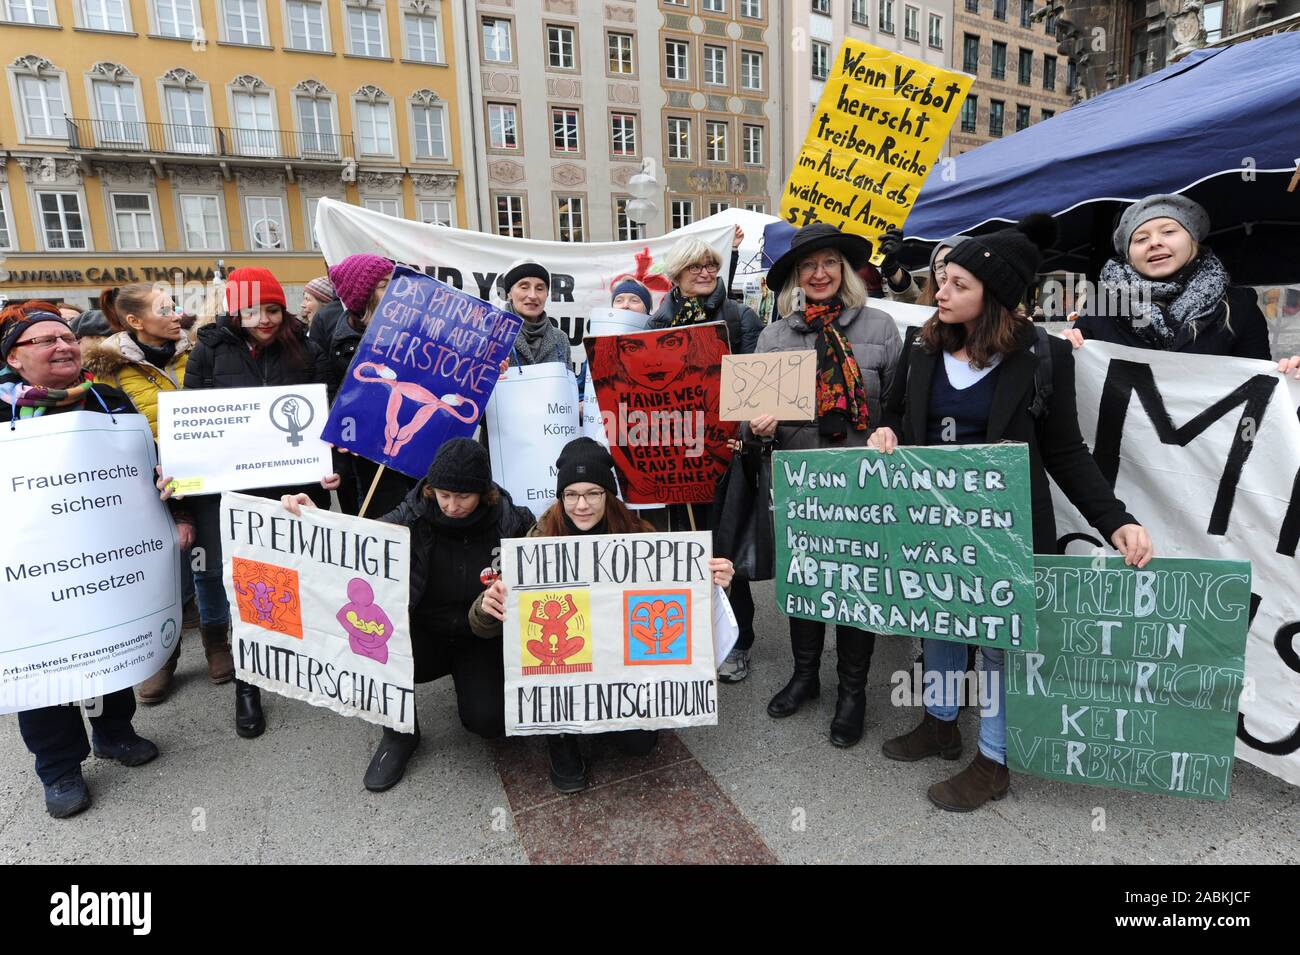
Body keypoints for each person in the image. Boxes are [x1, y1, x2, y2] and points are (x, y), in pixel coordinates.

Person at [869, 214, 1155, 811]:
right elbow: (892, 415)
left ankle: (994, 760)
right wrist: (884, 435)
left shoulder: (1045, 356)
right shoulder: (924, 347)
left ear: (994, 296)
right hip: (933, 523)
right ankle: (941, 722)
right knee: (941, 621)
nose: (939, 292)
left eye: (956, 284)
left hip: (1009, 528)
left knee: (999, 640)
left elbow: (1066, 451)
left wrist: (1116, 519)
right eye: (940, 280)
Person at [472, 437, 735, 793]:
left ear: (608, 495)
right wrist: (487, 607)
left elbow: (685, 606)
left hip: (618, 662)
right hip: (564, 664)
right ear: (560, 497)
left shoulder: (640, 536)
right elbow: (484, 623)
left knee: (639, 746)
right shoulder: (537, 541)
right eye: (571, 495)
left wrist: (714, 583)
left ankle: (609, 716)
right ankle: (560, 737)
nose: (581, 505)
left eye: (593, 493)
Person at [2, 310, 179, 818]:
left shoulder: (107, 398)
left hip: (101, 553)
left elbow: (145, 464)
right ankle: (58, 768)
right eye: (44, 340)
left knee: (107, 643)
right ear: (14, 357)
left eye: (66, 337)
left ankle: (113, 732)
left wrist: (172, 498)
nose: (62, 346)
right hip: (28, 567)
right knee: (43, 664)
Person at [281, 438, 535, 791]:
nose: (452, 505)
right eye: (444, 495)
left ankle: (472, 683)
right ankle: (400, 734)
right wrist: (314, 515)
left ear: (483, 492)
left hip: (478, 634)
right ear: (431, 488)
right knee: (370, 644)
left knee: (489, 720)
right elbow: (356, 541)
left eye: (462, 497)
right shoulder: (412, 514)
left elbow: (542, 556)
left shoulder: (510, 520)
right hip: (422, 629)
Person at [748, 223, 903, 747]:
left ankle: (853, 690)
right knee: (806, 581)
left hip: (863, 484)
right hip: (800, 483)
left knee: (856, 587)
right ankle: (805, 676)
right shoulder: (774, 337)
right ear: (795, 276)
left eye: (829, 263)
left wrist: (892, 429)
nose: (819, 273)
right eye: (808, 266)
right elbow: (749, 422)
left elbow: (901, 404)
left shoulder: (880, 326)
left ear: (846, 271)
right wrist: (758, 424)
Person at [169, 267, 339, 740]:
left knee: (301, 574)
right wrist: (187, 476)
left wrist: (330, 458)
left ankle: (307, 667)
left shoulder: (304, 344)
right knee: (246, 588)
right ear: (234, 309)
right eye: (252, 309)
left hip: (299, 485)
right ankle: (249, 687)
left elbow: (329, 407)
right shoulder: (209, 348)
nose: (263, 318)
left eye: (271, 308)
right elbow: (193, 418)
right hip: (235, 491)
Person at [85, 283, 214, 703]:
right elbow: (107, 436)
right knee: (165, 576)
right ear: (135, 321)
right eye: (165, 308)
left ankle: (217, 643)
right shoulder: (109, 367)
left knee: (209, 566)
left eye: (176, 305)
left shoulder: (198, 350)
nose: (177, 313)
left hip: (206, 477)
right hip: (149, 489)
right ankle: (163, 657)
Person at [647, 236, 762, 682]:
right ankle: (696, 632)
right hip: (675, 451)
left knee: (724, 545)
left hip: (725, 451)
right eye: (695, 266)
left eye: (711, 266)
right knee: (682, 545)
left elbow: (753, 383)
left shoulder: (739, 316)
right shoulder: (657, 321)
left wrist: (740, 431)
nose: (705, 273)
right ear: (675, 273)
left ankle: (739, 639)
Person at [1062, 194, 1300, 377]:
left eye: (1168, 232)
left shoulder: (1239, 305)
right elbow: (1076, 386)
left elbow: (1258, 382)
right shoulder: (1100, 308)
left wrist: (1287, 376)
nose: (1154, 243)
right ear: (1129, 255)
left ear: (1192, 241)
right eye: (1141, 239)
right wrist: (1063, 350)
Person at [324, 254, 417, 518]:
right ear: (362, 295)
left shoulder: (414, 333)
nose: (394, 290)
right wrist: (339, 465)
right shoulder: (340, 345)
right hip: (366, 468)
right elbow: (332, 406)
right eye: (384, 284)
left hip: (411, 452)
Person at [502, 259, 571, 367]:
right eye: (524, 287)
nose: (533, 295)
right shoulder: (491, 334)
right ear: (509, 294)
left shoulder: (561, 339)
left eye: (539, 288)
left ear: (547, 294)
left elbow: (569, 383)